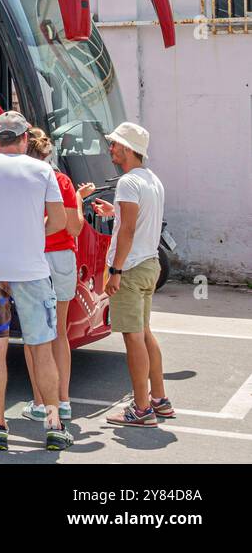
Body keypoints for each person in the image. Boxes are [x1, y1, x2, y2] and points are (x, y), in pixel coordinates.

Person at [0, 111, 72, 451]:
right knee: (42, 347)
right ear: (23, 139)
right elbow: (60, 219)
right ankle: (53, 424)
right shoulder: (43, 169)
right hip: (32, 271)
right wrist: (33, 235)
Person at [92, 122, 172, 427]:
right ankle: (159, 399)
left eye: (114, 144)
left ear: (127, 149)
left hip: (132, 267)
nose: (110, 149)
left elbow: (127, 231)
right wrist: (113, 212)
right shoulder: (152, 180)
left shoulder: (127, 183)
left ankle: (140, 408)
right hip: (150, 264)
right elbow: (136, 220)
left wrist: (115, 270)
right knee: (145, 332)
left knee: (133, 338)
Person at [20, 128, 94, 425]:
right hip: (64, 258)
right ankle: (63, 401)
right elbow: (75, 228)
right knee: (60, 332)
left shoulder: (22, 180)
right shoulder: (61, 180)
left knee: (33, 337)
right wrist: (77, 198)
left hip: (33, 259)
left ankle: (40, 403)